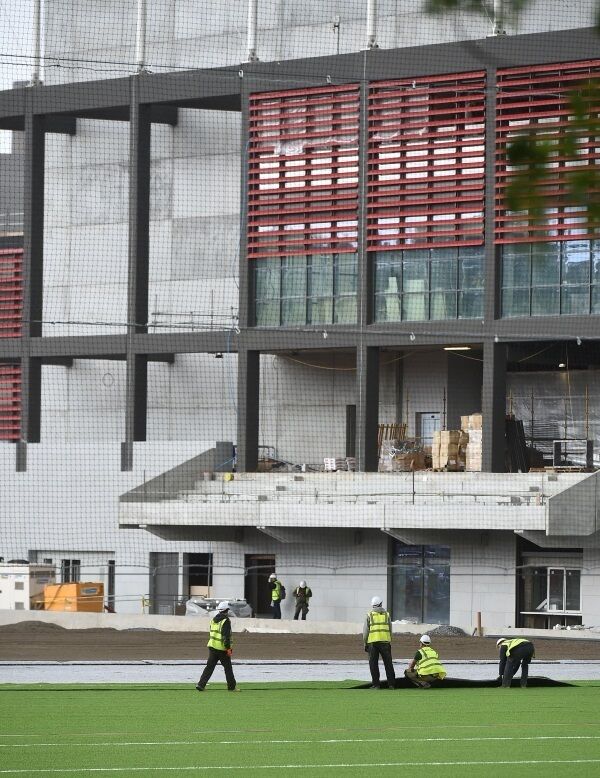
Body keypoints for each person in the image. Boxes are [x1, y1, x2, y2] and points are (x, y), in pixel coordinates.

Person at [196, 601, 239, 692]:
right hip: (222, 649)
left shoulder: (213, 620)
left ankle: (201, 684)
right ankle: (231, 687)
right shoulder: (225, 621)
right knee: (228, 668)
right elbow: (225, 636)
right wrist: (228, 648)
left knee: (209, 667)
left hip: (212, 647)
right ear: (226, 610)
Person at [363, 595, 396, 689]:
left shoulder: (369, 615)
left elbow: (365, 632)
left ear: (372, 605)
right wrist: (389, 640)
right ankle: (391, 684)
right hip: (385, 642)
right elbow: (390, 629)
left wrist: (365, 643)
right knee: (388, 663)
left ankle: (376, 685)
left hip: (372, 643)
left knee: (373, 664)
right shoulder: (387, 615)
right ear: (381, 604)